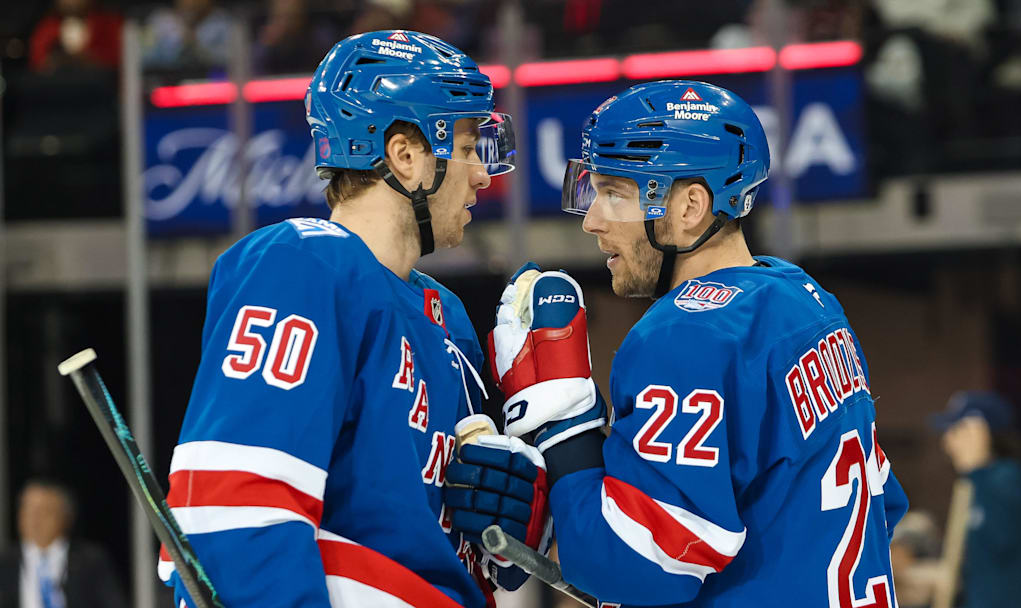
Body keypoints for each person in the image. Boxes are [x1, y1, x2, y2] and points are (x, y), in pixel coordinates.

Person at [447, 80, 909, 606]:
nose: (593, 221)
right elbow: (883, 505)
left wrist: (563, 421)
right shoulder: (809, 304)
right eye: (592, 190)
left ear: (690, 206)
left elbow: (637, 567)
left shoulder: (684, 333)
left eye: (614, 194)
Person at [157, 30, 540, 607]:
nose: (483, 175)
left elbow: (439, 545)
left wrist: (507, 514)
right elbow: (236, 512)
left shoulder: (447, 315)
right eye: (466, 147)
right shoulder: (302, 264)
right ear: (406, 155)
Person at [933, 390, 1021, 608]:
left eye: (956, 431)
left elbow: (1002, 538)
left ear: (981, 434)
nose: (947, 442)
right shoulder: (978, 481)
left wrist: (974, 468)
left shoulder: (1006, 476)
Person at [0, 479, 126, 608]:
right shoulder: (5, 562)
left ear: (65, 517)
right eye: (28, 510)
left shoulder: (90, 561)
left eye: (44, 512)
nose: (34, 520)